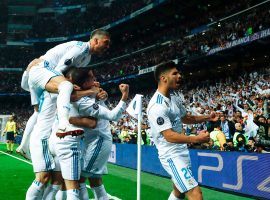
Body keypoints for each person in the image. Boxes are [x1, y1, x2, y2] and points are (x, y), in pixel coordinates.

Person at [147, 61, 218, 200]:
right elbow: (169, 136)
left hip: (181, 151)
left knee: (178, 191)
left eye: (179, 73)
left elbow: (186, 118)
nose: (179, 76)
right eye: (175, 73)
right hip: (171, 155)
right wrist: (196, 139)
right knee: (196, 195)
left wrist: (207, 117)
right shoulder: (157, 106)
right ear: (163, 78)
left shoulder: (174, 98)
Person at [26, 29, 110, 136]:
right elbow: (58, 70)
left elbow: (75, 77)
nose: (108, 46)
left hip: (45, 74)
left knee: (39, 113)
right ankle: (63, 124)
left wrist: (92, 87)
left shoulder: (87, 57)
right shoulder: (80, 49)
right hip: (43, 70)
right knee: (65, 88)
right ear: (96, 40)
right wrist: (86, 89)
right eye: (106, 42)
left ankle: (24, 145)